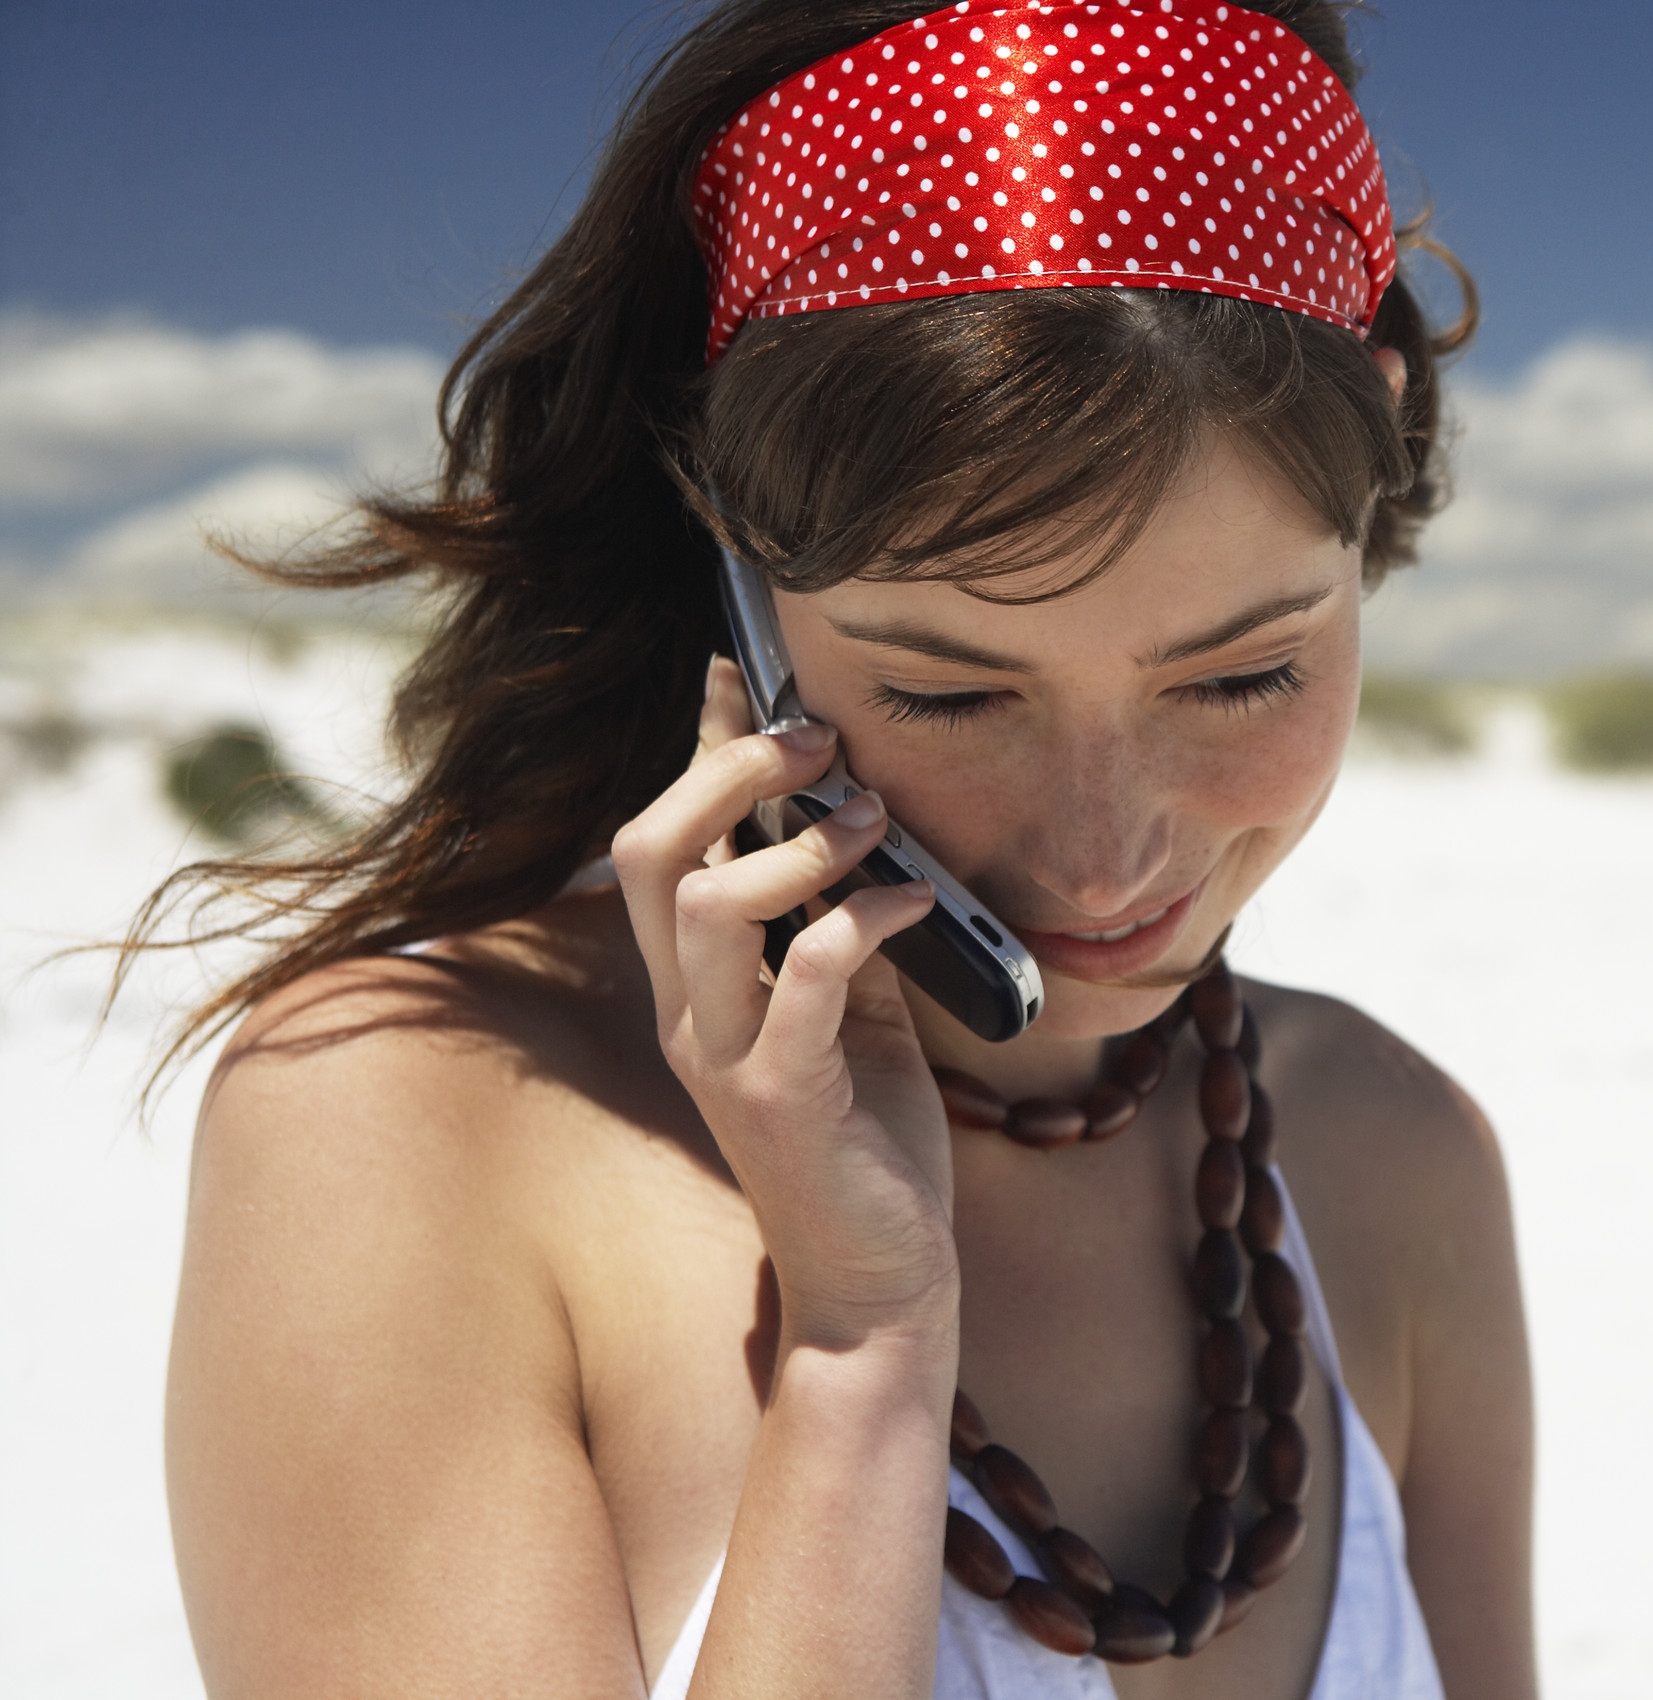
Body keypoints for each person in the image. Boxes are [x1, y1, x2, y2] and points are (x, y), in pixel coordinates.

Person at [144, 1, 1532, 1695]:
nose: (1104, 862)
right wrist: (865, 1357)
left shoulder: (1390, 1153)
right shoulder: (405, 1125)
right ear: (737, 570)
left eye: (1244, 674)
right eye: (950, 697)